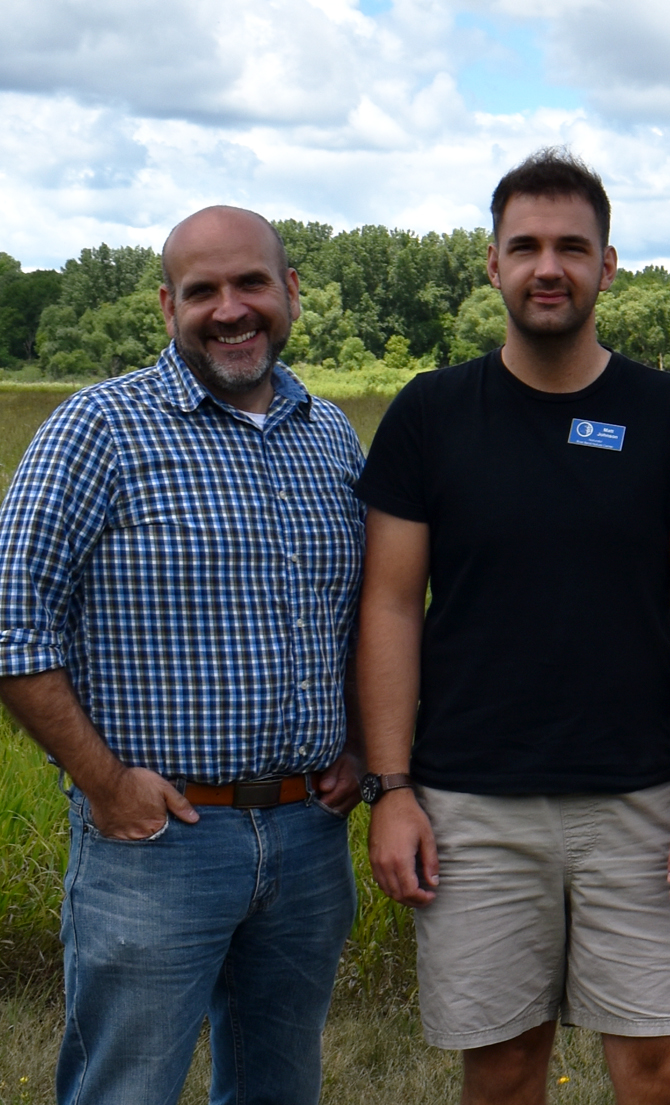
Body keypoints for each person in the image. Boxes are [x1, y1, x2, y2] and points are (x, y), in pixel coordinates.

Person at [358, 149, 670, 1104]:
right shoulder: (429, 412)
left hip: (641, 799)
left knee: (659, 1065)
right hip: (469, 804)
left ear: (608, 265)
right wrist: (392, 787)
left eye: (572, 246)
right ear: (491, 263)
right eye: (524, 245)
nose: (548, 266)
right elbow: (391, 605)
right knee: (501, 1067)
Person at [0, 206, 365, 1104]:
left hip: (306, 834)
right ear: (169, 306)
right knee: (125, 1088)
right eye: (202, 290)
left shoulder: (330, 437)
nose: (229, 309)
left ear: (291, 293)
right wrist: (104, 782)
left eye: (250, 283)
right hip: (158, 843)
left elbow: (360, 615)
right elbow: (11, 618)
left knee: (280, 1088)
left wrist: (360, 747)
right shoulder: (100, 429)